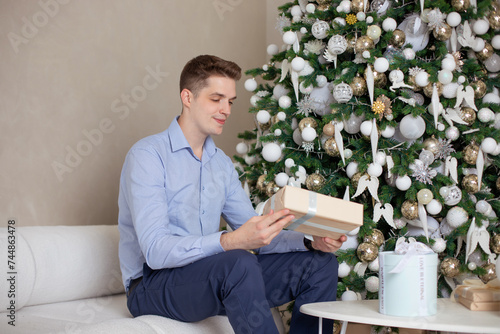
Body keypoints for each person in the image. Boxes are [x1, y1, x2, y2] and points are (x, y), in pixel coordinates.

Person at [118, 54, 347, 334]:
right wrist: (230, 241)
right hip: (152, 285)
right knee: (238, 261)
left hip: (210, 276)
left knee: (320, 264)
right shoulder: (148, 156)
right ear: (187, 98)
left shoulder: (221, 164)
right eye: (216, 99)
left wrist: (311, 242)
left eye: (230, 101)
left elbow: (255, 232)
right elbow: (155, 251)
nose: (226, 109)